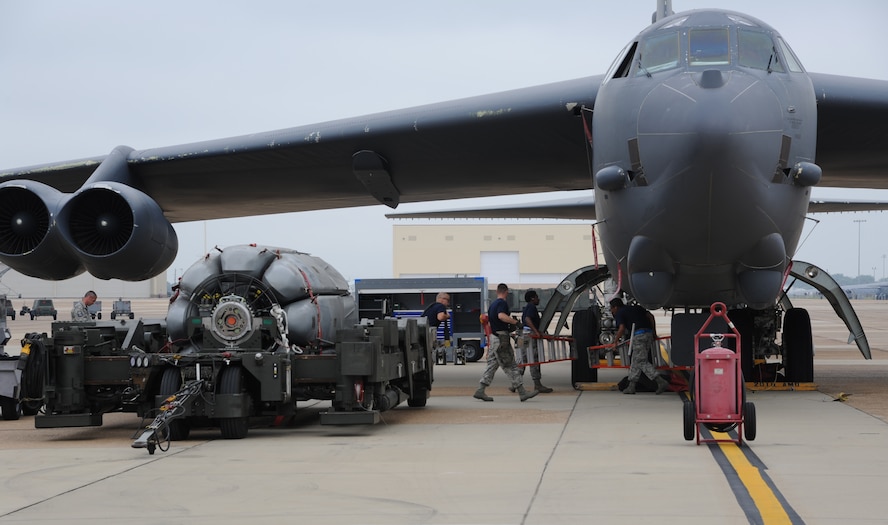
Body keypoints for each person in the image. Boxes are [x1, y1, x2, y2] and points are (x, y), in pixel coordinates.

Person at [473, 283, 538, 402]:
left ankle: (480, 390)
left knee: (492, 365)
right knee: (510, 365)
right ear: (506, 291)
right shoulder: (502, 303)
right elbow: (501, 316)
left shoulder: (492, 304)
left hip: (495, 338)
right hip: (501, 339)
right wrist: (515, 323)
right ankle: (522, 392)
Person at [609, 297, 669, 395]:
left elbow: (622, 328)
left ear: (615, 307)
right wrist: (654, 331)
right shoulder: (636, 308)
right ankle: (631, 386)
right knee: (635, 360)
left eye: (612, 309)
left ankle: (660, 381)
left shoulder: (620, 312)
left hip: (638, 336)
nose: (612, 311)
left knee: (641, 361)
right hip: (648, 334)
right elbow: (650, 316)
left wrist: (615, 342)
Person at [516, 290, 553, 393]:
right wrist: (536, 332)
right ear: (533, 298)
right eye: (537, 297)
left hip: (522, 334)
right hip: (530, 335)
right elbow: (528, 319)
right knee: (534, 359)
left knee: (521, 359)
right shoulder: (532, 307)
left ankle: (515, 383)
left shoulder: (527, 307)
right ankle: (537, 385)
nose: (538, 299)